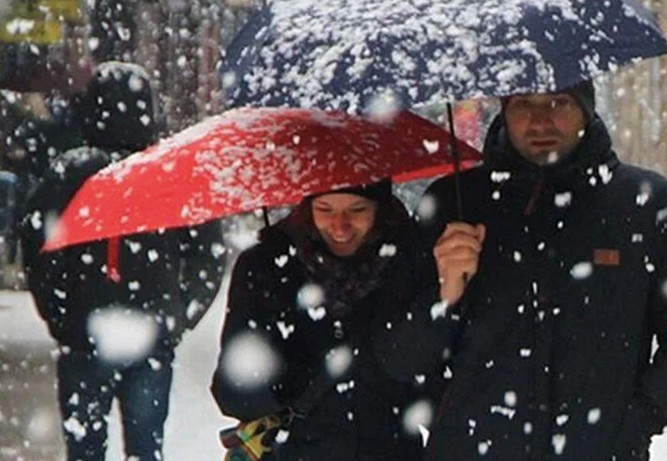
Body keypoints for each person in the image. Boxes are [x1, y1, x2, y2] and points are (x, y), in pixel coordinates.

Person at [374, 80, 667, 460]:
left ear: (586, 110)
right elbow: (397, 357)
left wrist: (632, 422)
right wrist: (444, 297)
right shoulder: (454, 204)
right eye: (523, 104)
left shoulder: (644, 204)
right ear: (503, 110)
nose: (540, 121)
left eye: (559, 102)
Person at [19, 62, 225, 461]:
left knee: (84, 448)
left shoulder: (71, 173)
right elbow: (207, 256)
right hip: (148, 335)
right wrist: (178, 315)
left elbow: (37, 249)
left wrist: (61, 313)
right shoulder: (170, 174)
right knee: (146, 447)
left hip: (86, 335)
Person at [211, 182, 431, 461]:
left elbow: (433, 386)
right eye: (325, 209)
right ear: (307, 209)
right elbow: (233, 395)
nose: (340, 225)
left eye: (357, 209)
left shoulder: (411, 263)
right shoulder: (267, 267)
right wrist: (286, 372)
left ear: (381, 210)